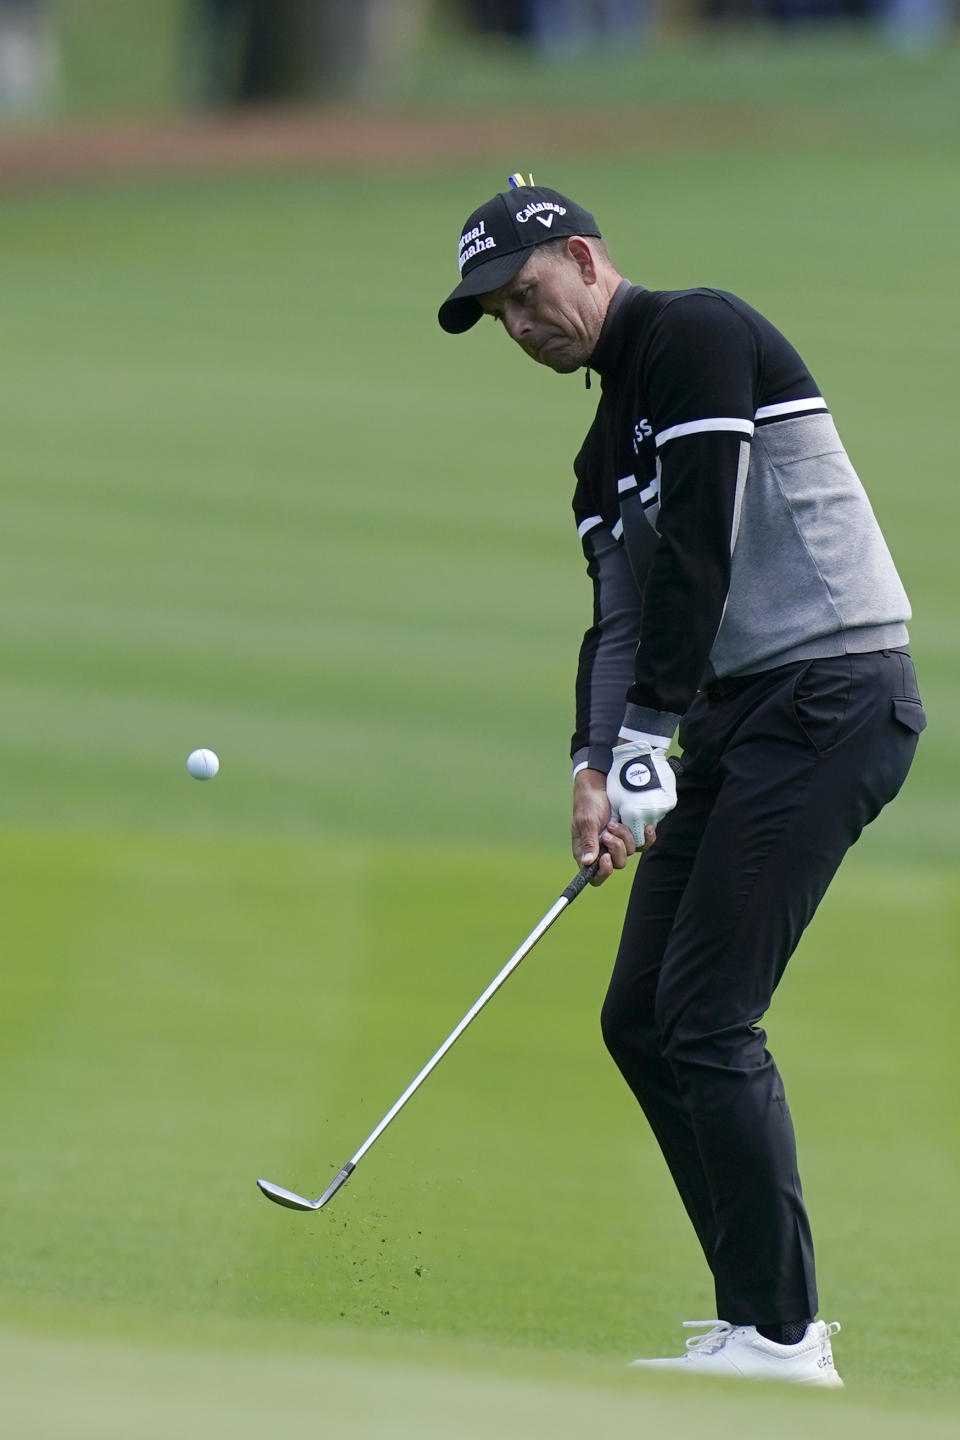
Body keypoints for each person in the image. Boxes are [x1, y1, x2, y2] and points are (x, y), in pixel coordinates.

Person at [437, 178, 925, 1384]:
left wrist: (652, 734)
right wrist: (596, 766)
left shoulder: (697, 334)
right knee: (643, 1017)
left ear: (587, 259)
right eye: (495, 313)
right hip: (736, 721)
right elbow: (621, 619)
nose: (517, 324)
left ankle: (783, 1336)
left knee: (708, 1016)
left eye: (525, 293)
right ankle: (752, 1315)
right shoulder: (598, 457)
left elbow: (704, 533)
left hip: (831, 693)